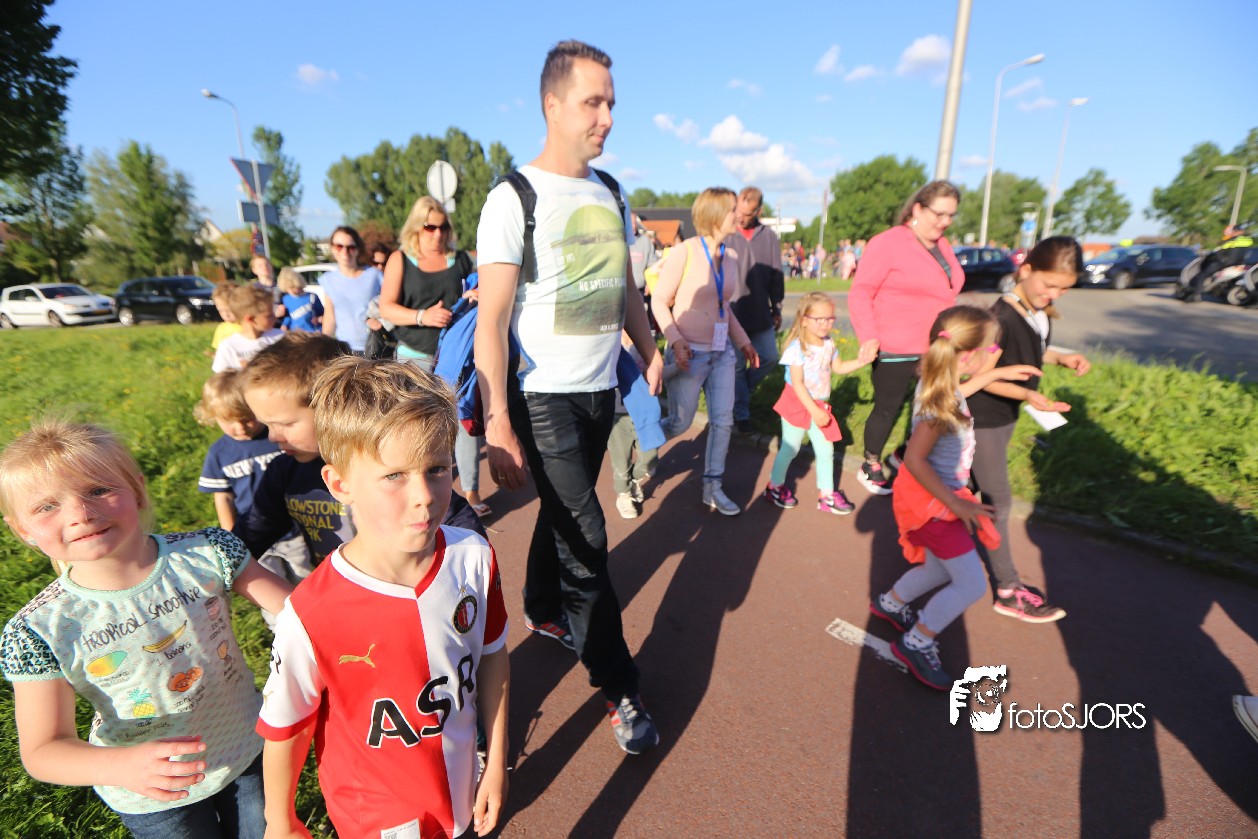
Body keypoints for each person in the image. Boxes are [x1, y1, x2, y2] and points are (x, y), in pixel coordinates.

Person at [475, 39, 663, 754]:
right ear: (552, 106)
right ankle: (619, 685)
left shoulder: (610, 191)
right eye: (593, 102)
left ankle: (542, 606)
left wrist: (649, 351)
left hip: (600, 389)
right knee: (587, 538)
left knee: (564, 512)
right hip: (542, 397)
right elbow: (492, 319)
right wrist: (498, 422)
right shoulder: (513, 197)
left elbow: (624, 288)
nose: (607, 116)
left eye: (611, 102)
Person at [0, 418, 291, 838]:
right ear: (22, 529)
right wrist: (120, 766)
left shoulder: (209, 552)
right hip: (154, 797)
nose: (81, 514)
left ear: (137, 490)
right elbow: (43, 750)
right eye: (47, 506)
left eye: (98, 489)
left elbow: (302, 616)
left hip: (248, 749)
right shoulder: (38, 630)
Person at [257, 358, 509, 839]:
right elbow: (287, 725)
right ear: (340, 485)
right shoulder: (311, 612)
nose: (425, 495)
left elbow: (493, 656)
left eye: (437, 469)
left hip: (462, 789)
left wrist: (495, 761)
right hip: (375, 818)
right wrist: (280, 822)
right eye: (394, 475)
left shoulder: (473, 555)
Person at [868, 306, 1040, 689]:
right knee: (972, 585)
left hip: (936, 500)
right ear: (967, 356)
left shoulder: (940, 383)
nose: (995, 353)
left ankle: (890, 605)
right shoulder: (939, 404)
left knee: (937, 569)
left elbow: (961, 392)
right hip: (936, 505)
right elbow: (914, 458)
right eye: (992, 349)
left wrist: (998, 374)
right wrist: (957, 503)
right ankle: (916, 643)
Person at [968, 237, 1091, 623]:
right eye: (1049, 285)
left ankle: (933, 546)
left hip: (1004, 418)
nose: (1054, 294)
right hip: (983, 419)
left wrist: (1060, 357)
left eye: (1063, 289)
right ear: (1025, 270)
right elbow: (982, 375)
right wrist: (1027, 394)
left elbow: (1030, 352)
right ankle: (1008, 590)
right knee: (998, 503)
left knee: (963, 491)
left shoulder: (1036, 311)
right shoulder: (1000, 318)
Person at [849, 180, 963, 495]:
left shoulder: (943, 244)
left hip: (936, 346)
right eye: (939, 214)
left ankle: (904, 455)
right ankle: (870, 463)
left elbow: (947, 291)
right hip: (895, 345)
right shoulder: (888, 243)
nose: (945, 222)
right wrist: (868, 336)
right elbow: (861, 292)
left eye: (951, 215)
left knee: (936, 407)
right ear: (918, 209)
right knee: (888, 407)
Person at [652, 188, 759, 515]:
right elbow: (659, 301)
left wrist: (743, 341)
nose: (739, 214)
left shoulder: (732, 256)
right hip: (689, 353)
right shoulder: (684, 252)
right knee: (680, 423)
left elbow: (723, 306)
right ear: (714, 214)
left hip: (721, 352)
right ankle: (640, 440)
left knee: (723, 421)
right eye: (732, 209)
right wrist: (675, 339)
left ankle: (712, 486)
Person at [379, 196, 488, 515]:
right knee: (417, 429)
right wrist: (422, 316)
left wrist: (472, 296)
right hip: (415, 358)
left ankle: (471, 493)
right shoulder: (401, 260)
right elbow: (387, 308)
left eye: (443, 227)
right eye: (430, 227)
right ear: (416, 227)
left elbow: (480, 290)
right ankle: (419, 495)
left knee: (463, 423)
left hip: (457, 358)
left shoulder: (461, 260)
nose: (437, 233)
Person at [194, 371, 311, 616]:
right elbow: (223, 496)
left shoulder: (277, 438)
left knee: (306, 578)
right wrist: (231, 536)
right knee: (267, 585)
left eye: (247, 418)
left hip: (294, 529)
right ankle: (281, 625)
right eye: (229, 421)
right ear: (213, 417)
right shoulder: (219, 453)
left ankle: (314, 616)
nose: (240, 427)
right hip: (253, 533)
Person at [763, 292, 876, 514]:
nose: (826, 324)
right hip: (797, 404)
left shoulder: (829, 344)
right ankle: (774, 486)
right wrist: (814, 411)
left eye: (830, 318)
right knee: (790, 448)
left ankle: (826, 495)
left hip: (819, 405)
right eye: (819, 319)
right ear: (804, 320)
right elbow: (797, 384)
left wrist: (861, 361)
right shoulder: (797, 349)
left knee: (825, 450)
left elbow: (838, 367)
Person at [726, 185, 784, 434]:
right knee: (738, 366)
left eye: (747, 213)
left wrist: (777, 306)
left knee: (769, 357)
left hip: (760, 312)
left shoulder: (768, 236)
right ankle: (741, 415)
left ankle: (739, 393)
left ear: (759, 211)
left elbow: (776, 274)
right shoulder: (728, 233)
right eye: (738, 210)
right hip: (733, 312)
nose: (741, 217)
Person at [610, 337, 659, 520]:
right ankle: (623, 495)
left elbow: (657, 371)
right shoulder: (610, 340)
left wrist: (674, 368)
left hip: (643, 412)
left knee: (650, 457)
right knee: (621, 461)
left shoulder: (644, 341)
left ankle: (634, 480)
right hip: (617, 415)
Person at [320, 225, 383, 355]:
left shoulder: (374, 275)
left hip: (374, 346)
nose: (345, 251)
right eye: (339, 246)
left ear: (358, 249)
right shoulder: (328, 280)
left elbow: (389, 305)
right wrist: (323, 347)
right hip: (343, 350)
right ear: (332, 248)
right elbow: (330, 317)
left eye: (351, 247)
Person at [212, 284, 284, 373]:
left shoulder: (281, 338)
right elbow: (222, 378)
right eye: (269, 316)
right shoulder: (229, 346)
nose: (275, 317)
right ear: (250, 319)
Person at [276, 267, 322, 332]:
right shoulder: (286, 299)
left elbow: (323, 313)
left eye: (293, 287)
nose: (291, 291)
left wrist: (320, 319)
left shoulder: (312, 296)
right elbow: (288, 316)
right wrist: (284, 325)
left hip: (312, 332)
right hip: (296, 333)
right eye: (288, 289)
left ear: (298, 283)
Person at [210, 283, 242, 354]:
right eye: (221, 311)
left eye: (229, 310)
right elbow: (219, 351)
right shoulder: (221, 329)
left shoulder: (248, 326)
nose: (226, 315)